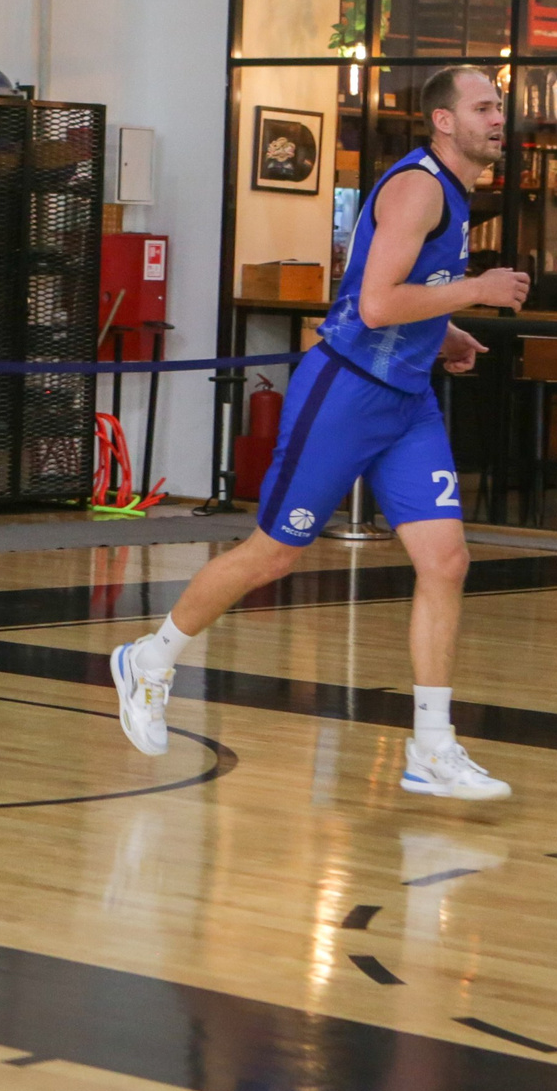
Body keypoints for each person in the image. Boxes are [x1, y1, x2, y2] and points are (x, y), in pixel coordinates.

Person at [110, 65, 529, 800]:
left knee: (446, 560)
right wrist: (478, 290)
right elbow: (373, 306)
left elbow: (399, 290)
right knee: (273, 553)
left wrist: (444, 332)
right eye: (484, 107)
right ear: (443, 121)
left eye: (500, 107)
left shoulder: (455, 193)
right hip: (346, 392)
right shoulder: (420, 188)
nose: (499, 118)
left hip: (407, 400)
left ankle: (432, 747)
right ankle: (151, 656)